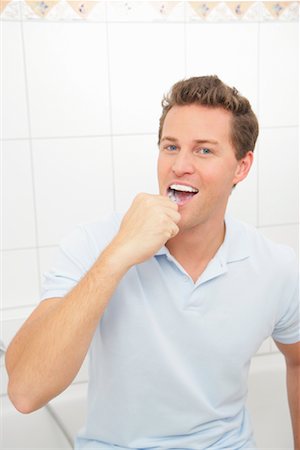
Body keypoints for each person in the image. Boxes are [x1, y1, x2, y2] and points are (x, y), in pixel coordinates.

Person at [6, 76, 299, 449]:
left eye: (204, 150)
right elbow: (25, 393)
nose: (180, 165)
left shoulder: (275, 266)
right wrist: (118, 255)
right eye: (170, 147)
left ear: (241, 167)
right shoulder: (93, 243)